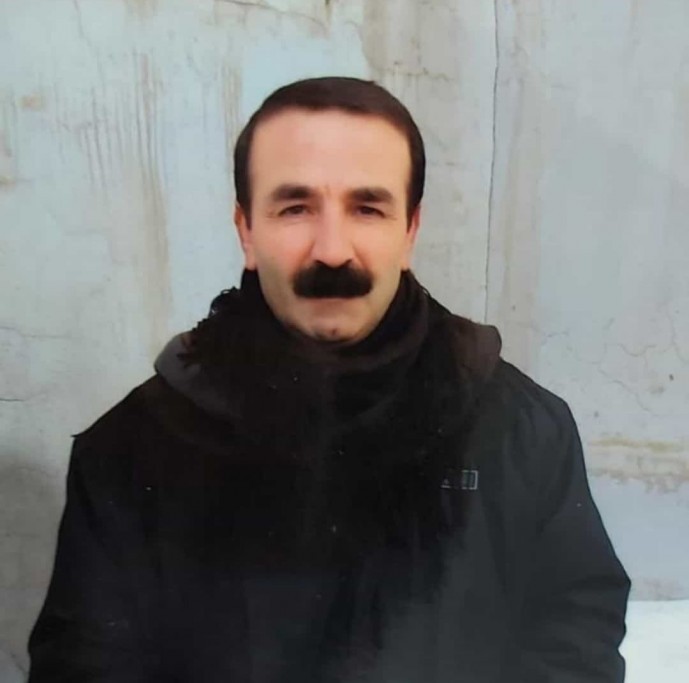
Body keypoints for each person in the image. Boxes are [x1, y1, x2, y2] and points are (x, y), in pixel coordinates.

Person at [28, 76, 629, 682]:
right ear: (246, 230)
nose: (332, 251)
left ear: (410, 231)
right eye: (295, 208)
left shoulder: (522, 432)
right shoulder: (129, 452)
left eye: (367, 208)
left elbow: (575, 632)